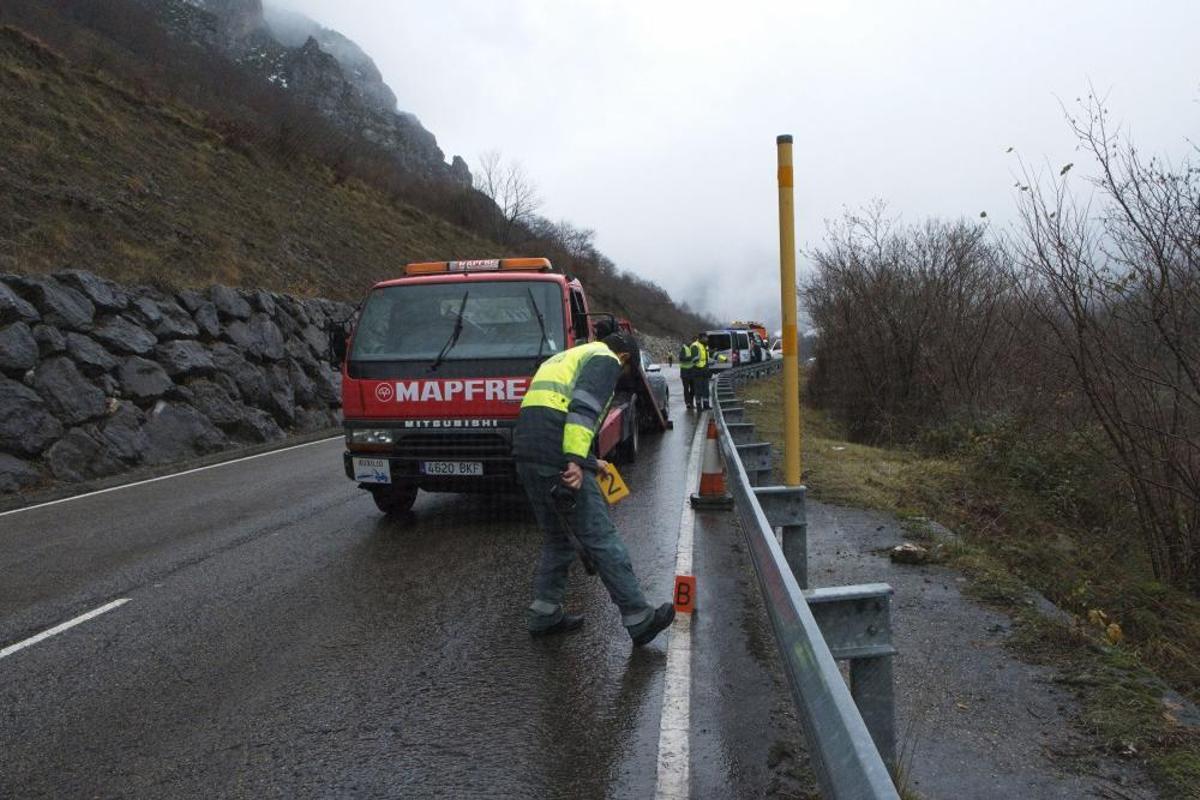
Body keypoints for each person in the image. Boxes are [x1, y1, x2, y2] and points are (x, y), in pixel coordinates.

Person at [512, 331, 676, 644]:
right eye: (626, 372)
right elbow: (583, 409)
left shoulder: (565, 358)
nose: (620, 378)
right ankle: (639, 618)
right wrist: (575, 461)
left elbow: (553, 413)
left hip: (528, 454)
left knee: (558, 539)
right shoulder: (605, 359)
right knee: (601, 538)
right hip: (559, 459)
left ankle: (544, 614)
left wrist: (589, 460)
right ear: (624, 357)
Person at [690, 333, 710, 410]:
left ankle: (706, 405)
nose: (707, 339)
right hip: (697, 370)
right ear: (701, 338)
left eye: (707, 338)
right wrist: (700, 361)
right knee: (698, 389)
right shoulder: (695, 345)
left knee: (706, 389)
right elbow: (694, 359)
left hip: (705, 370)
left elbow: (707, 358)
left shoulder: (705, 346)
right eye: (705, 338)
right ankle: (699, 406)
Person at [678, 338, 696, 408]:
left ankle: (691, 402)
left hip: (691, 371)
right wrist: (691, 358)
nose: (690, 342)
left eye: (691, 341)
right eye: (689, 341)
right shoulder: (684, 348)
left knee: (693, 388)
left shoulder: (692, 348)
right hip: (685, 372)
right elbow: (681, 358)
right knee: (686, 388)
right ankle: (688, 403)